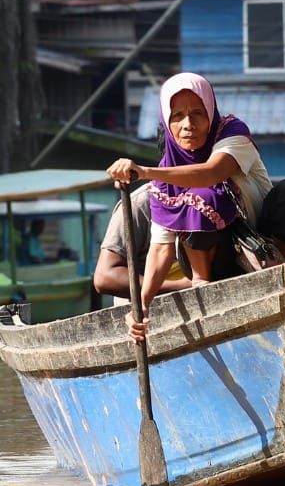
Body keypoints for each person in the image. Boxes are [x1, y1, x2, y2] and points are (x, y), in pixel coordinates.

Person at [107, 72, 271, 338]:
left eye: (197, 113)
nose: (188, 124)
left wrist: (145, 172)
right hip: (213, 265)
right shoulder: (163, 182)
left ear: (210, 110)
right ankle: (201, 281)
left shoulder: (232, 133)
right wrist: (143, 306)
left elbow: (209, 173)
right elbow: (160, 250)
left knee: (205, 195)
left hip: (258, 239)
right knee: (196, 201)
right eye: (177, 116)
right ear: (166, 123)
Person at [90, 183, 239, 300]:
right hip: (149, 315)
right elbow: (105, 277)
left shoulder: (222, 194)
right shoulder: (140, 206)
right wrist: (181, 287)